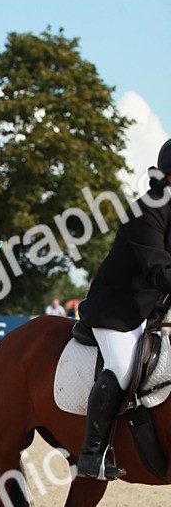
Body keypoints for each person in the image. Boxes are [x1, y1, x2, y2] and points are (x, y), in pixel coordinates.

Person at [76, 138, 171, 480]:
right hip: (119, 310)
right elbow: (159, 271)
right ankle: (91, 455)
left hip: (153, 309)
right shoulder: (147, 210)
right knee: (121, 366)